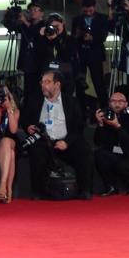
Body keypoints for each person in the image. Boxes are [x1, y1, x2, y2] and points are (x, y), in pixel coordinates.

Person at [26, 69, 94, 200]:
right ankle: (38, 192)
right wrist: (28, 126)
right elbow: (25, 120)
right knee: (35, 150)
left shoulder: (72, 102)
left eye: (47, 82)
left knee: (84, 150)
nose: (43, 85)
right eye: (42, 82)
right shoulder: (34, 100)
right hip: (44, 141)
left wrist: (66, 142)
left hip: (65, 140)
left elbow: (79, 127)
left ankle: (85, 190)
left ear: (57, 85)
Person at [93, 90, 129, 196]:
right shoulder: (107, 117)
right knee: (99, 154)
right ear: (109, 103)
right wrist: (100, 124)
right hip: (115, 151)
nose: (117, 104)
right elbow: (98, 142)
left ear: (126, 104)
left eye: (120, 101)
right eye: (113, 101)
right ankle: (110, 186)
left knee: (123, 163)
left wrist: (117, 126)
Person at [70, 0, 109, 114]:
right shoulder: (77, 19)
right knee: (80, 82)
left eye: (90, 10)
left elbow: (103, 36)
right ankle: (82, 111)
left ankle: (105, 108)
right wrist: (79, 36)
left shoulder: (102, 18)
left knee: (99, 82)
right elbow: (73, 36)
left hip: (95, 53)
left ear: (94, 7)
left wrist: (92, 38)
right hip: (81, 53)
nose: (88, 13)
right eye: (86, 11)